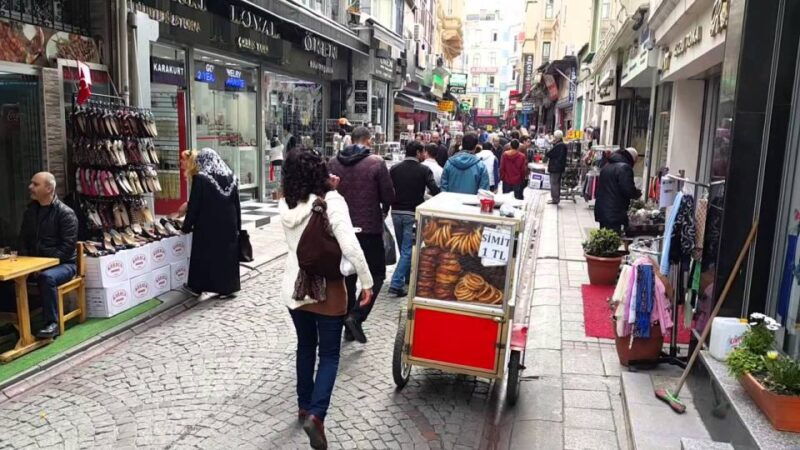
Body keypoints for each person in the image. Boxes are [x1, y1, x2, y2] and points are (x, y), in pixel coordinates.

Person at [279, 149, 373, 450]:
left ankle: (304, 405)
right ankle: (317, 415)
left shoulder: (286, 202)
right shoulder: (331, 201)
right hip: (327, 289)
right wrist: (367, 282)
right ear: (320, 171)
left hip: (294, 287)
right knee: (330, 355)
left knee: (305, 346)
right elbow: (350, 245)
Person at [328, 126, 395, 343]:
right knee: (376, 275)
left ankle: (346, 319)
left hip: (340, 228)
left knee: (347, 275)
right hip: (369, 229)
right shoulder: (376, 163)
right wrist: (382, 210)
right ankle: (356, 316)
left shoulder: (333, 162)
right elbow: (388, 195)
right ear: (368, 140)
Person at [0, 172, 78, 339]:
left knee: (46, 278)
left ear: (49, 188)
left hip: (64, 265)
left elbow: (66, 249)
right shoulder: (30, 212)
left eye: (35, 184)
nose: (30, 187)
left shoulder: (65, 213)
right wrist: (26, 264)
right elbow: (22, 241)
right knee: (6, 280)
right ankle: (16, 321)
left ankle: (52, 324)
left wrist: (41, 265)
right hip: (35, 264)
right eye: (31, 184)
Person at [180, 148, 242, 298]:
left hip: (209, 224)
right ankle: (227, 288)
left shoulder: (201, 178)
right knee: (226, 256)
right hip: (229, 222)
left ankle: (196, 287)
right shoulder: (231, 176)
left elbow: (194, 205)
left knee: (203, 255)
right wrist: (238, 226)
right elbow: (237, 203)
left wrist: (186, 226)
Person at [388, 141, 441, 297]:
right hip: (412, 214)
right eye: (422, 152)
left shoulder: (394, 169)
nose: (424, 155)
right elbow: (435, 190)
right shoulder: (424, 170)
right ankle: (396, 284)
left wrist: (385, 209)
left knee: (404, 249)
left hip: (396, 212)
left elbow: (388, 189)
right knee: (407, 250)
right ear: (418, 153)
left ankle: (406, 279)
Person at [595, 148, 642, 233]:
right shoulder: (624, 168)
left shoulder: (607, 166)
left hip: (603, 210)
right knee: (612, 240)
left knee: (605, 238)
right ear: (632, 158)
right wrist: (637, 193)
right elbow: (627, 189)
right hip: (614, 212)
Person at [545, 130, 568, 205]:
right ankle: (556, 198)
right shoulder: (562, 145)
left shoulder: (559, 145)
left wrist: (552, 144)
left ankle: (555, 199)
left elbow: (549, 153)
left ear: (557, 137)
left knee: (554, 183)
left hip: (555, 167)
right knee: (557, 183)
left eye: (554, 137)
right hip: (559, 167)